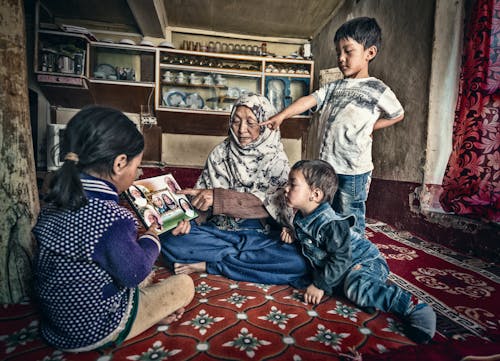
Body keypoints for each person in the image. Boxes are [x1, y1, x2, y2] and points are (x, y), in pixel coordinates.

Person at [32, 106, 195, 352]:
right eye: (137, 166)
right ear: (119, 163)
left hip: (55, 326)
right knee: (184, 285)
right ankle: (139, 320)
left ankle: (144, 313)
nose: (138, 172)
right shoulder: (113, 217)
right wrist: (151, 236)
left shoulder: (54, 203)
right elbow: (135, 273)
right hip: (95, 330)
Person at [262, 17, 404, 236]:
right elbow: (309, 100)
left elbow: (397, 114)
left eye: (348, 51)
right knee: (323, 208)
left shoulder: (377, 89)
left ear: (370, 53)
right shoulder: (333, 87)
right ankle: (321, 243)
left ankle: (351, 254)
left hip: (354, 169)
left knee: (349, 214)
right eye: (339, 52)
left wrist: (371, 127)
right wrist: (282, 116)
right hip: (327, 166)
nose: (341, 58)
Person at [160, 93, 310, 287]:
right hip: (219, 233)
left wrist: (219, 198)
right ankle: (245, 262)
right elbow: (201, 208)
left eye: (251, 122)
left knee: (299, 260)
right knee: (169, 241)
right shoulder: (220, 154)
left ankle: (210, 265)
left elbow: (271, 204)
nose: (241, 130)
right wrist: (190, 219)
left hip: (260, 236)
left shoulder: (275, 159)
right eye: (236, 121)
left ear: (265, 123)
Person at [282, 159, 436, 344]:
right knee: (346, 288)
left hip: (364, 262)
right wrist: (292, 233)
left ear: (315, 194)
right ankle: (366, 297)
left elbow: (340, 258)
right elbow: (314, 241)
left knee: (356, 287)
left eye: (292, 184)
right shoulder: (302, 216)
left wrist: (321, 284)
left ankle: (414, 307)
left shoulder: (331, 224)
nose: (285, 188)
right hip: (345, 265)